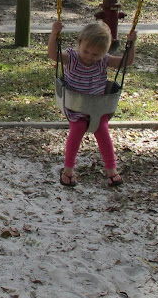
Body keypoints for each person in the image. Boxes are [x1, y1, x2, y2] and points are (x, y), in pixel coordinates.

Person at [47, 20, 136, 188]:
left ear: (104, 52)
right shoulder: (72, 57)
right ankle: (68, 171)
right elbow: (54, 55)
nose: (89, 57)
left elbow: (126, 62)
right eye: (86, 51)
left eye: (95, 54)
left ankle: (112, 171)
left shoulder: (104, 61)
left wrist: (131, 45)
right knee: (77, 130)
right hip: (75, 109)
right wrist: (54, 34)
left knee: (103, 132)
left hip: (97, 110)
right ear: (79, 44)